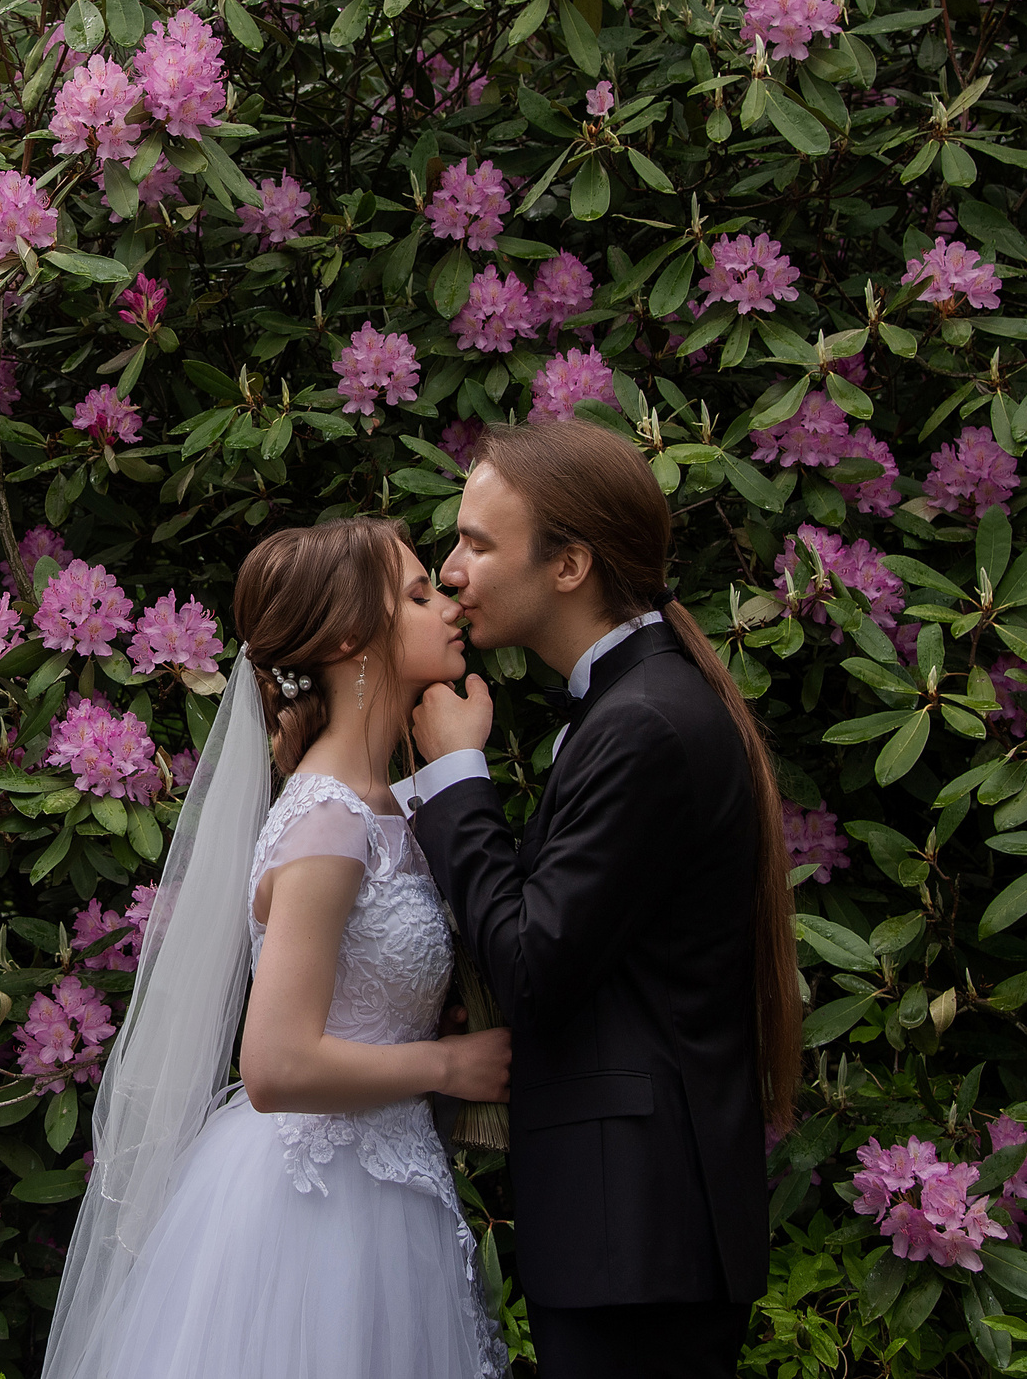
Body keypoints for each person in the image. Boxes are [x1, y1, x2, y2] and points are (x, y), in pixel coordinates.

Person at [41, 516, 513, 1379]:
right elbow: (276, 1065)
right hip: (318, 1207)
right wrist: (449, 1066)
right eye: (417, 595)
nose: (447, 602)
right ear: (346, 639)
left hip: (385, 1189)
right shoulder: (329, 819)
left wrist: (462, 761)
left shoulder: (385, 807)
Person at [403, 417, 801, 1379]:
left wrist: (458, 777)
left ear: (570, 563)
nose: (451, 568)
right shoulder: (632, 705)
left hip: (639, 1235)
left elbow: (538, 966)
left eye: (478, 542)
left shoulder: (646, 725)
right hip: (633, 1231)